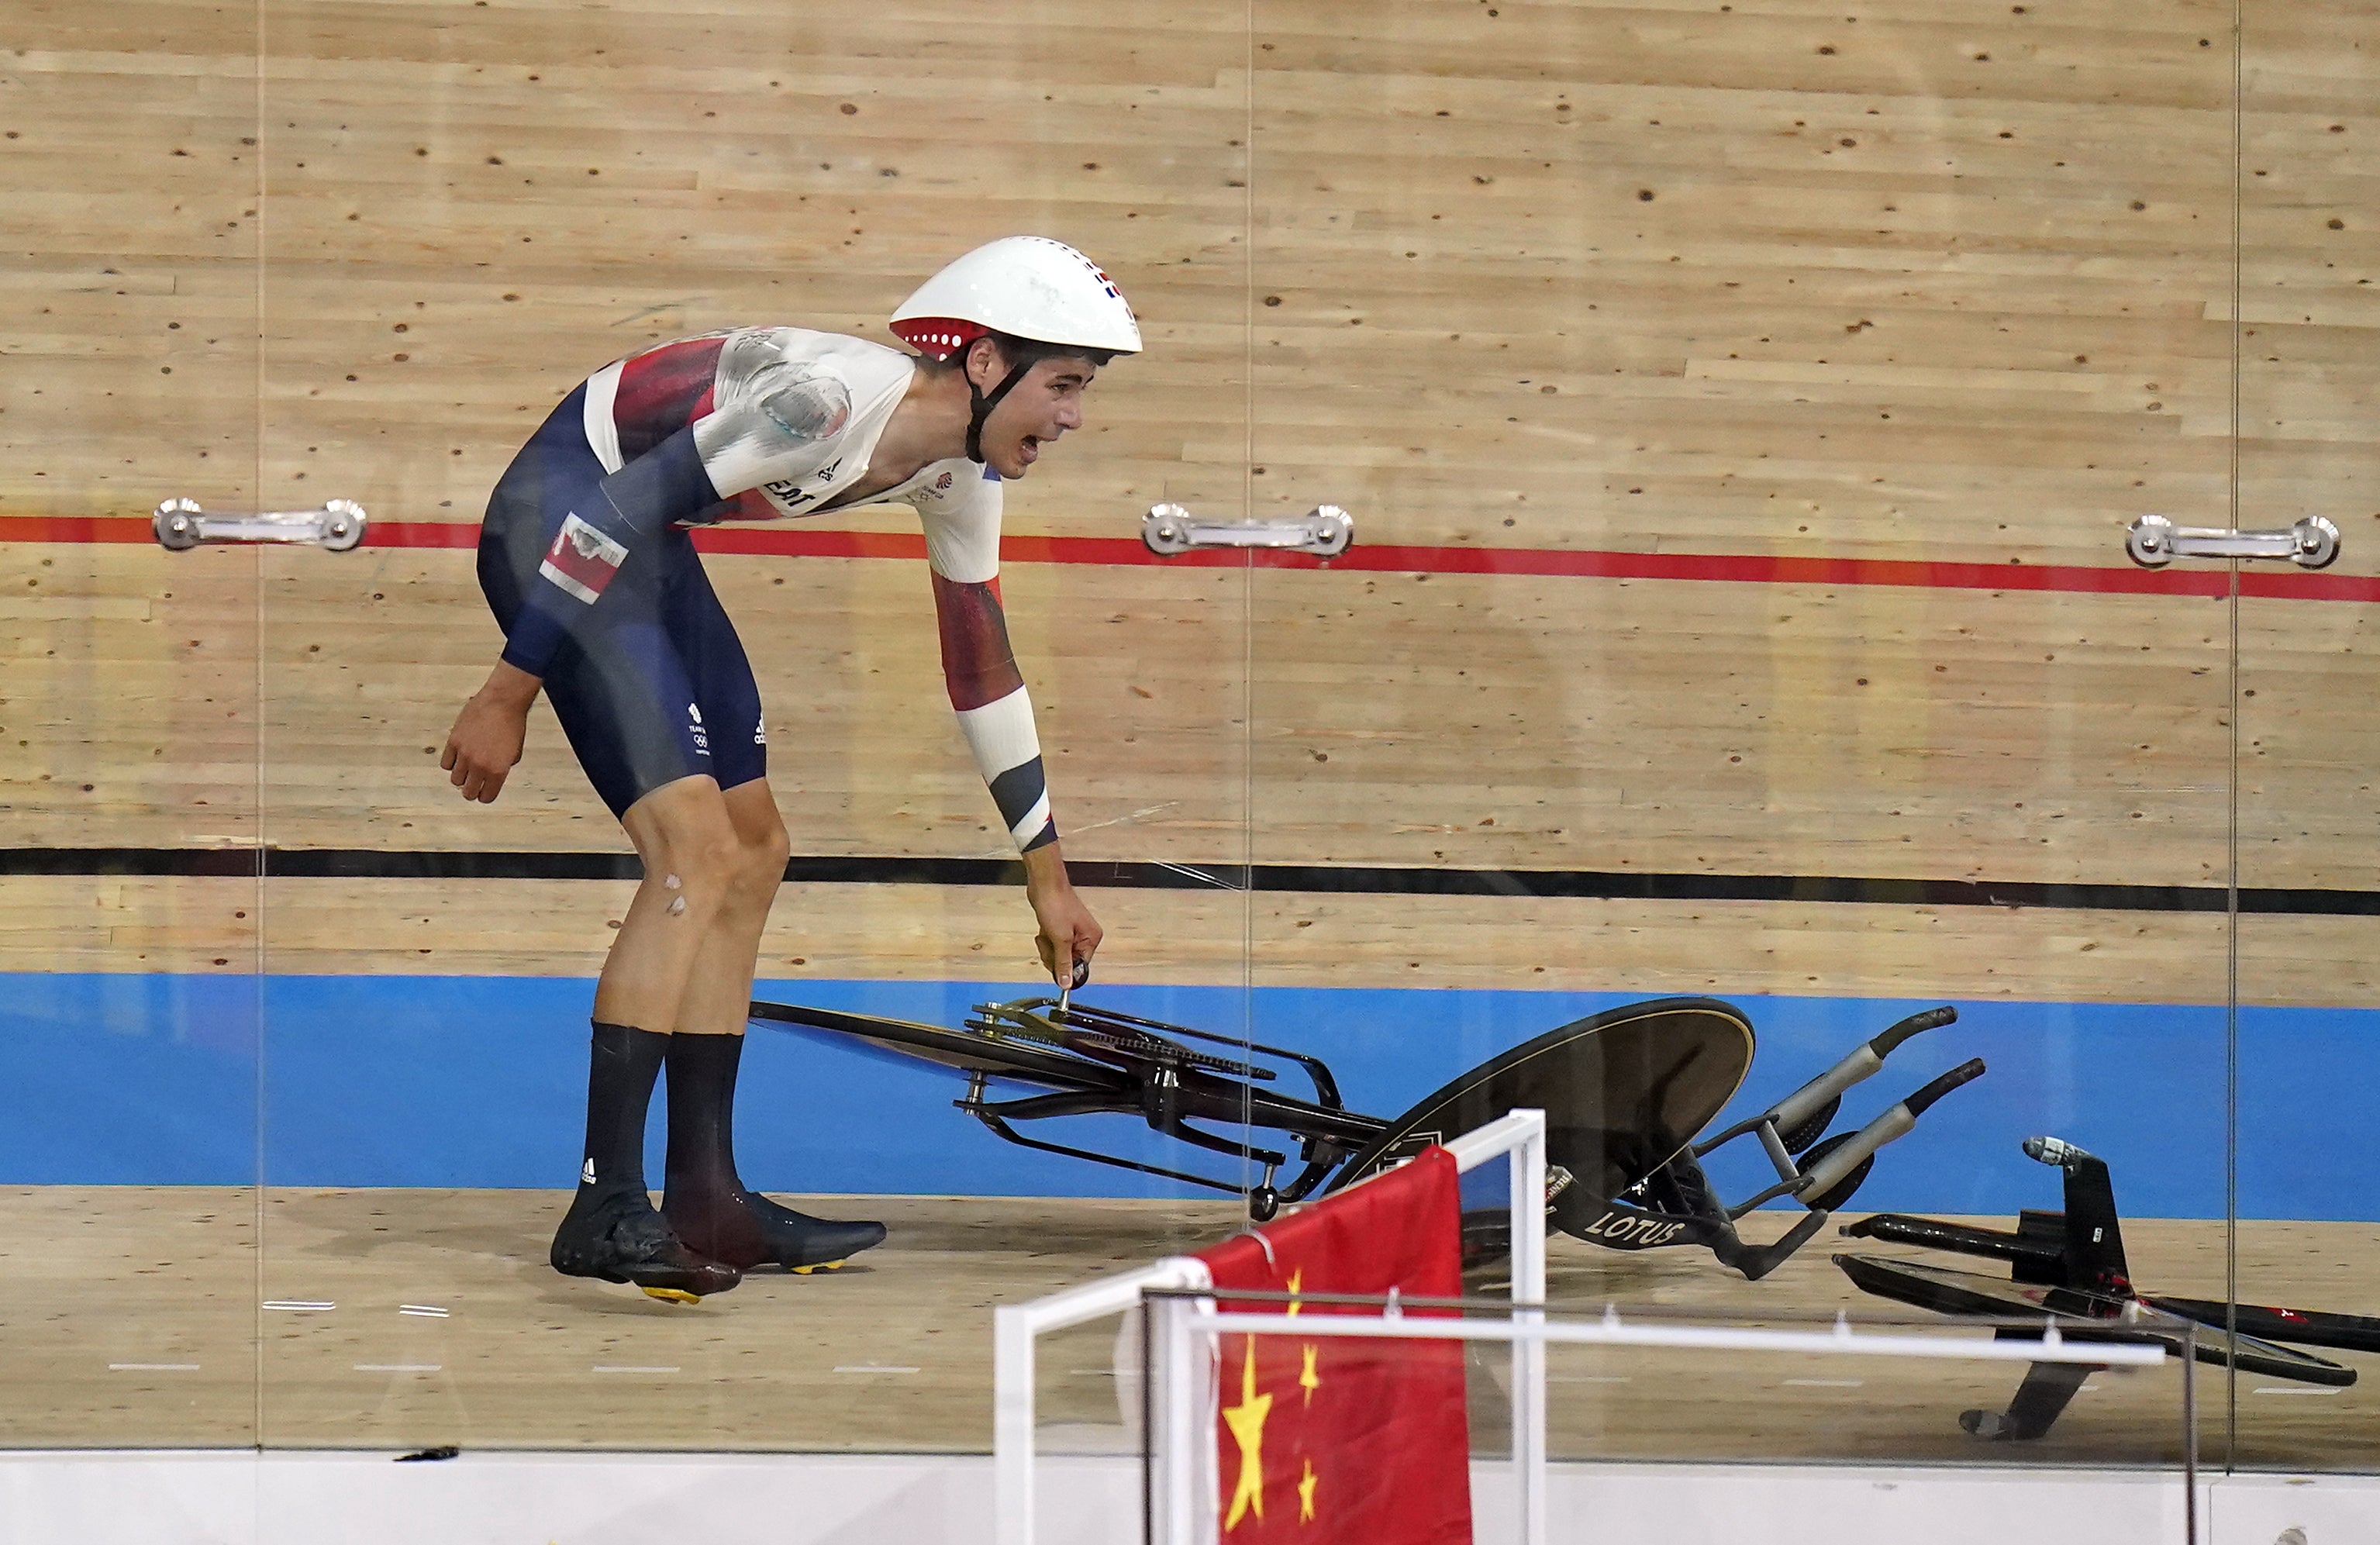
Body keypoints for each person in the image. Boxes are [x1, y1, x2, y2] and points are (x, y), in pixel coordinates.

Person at [438, 236, 1136, 1301]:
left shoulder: (959, 469)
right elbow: (612, 512)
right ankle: (603, 1200)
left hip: (643, 537)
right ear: (987, 362)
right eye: (1066, 384)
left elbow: (980, 668)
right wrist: (505, 692)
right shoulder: (816, 404)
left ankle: (705, 1190)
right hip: (568, 517)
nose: (1075, 415)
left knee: (757, 848)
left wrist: (1045, 869)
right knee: (696, 848)